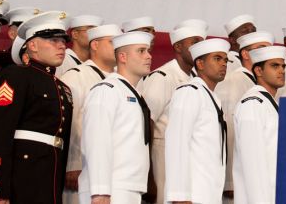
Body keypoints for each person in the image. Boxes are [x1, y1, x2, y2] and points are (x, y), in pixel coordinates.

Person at [0, 11, 74, 204]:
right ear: (32, 45)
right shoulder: (17, 75)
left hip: (50, 172)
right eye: (53, 40)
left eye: (63, 41)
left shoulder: (62, 87)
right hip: (21, 175)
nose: (62, 45)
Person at [79, 31, 155, 204]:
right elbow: (97, 141)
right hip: (109, 188)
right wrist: (100, 191)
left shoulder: (131, 93)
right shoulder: (106, 90)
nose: (149, 56)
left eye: (148, 51)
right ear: (122, 56)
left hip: (128, 187)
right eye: (141, 51)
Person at [139, 24, 206, 201]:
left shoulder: (195, 79)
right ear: (178, 47)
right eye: (195, 42)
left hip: (187, 157)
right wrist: (148, 175)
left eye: (202, 42)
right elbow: (146, 121)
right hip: (162, 156)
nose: (200, 47)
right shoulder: (163, 77)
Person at [165, 38, 231, 204]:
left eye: (225, 60)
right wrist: (180, 195)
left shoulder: (210, 96)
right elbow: (177, 143)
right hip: (191, 196)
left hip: (208, 194)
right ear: (200, 64)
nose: (223, 64)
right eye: (217, 58)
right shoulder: (189, 92)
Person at [61, 23, 121, 203]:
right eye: (112, 42)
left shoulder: (122, 79)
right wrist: (72, 163)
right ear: (95, 45)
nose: (118, 48)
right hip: (84, 167)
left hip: (115, 167)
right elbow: (69, 122)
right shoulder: (76, 76)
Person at [215, 32, 275, 198]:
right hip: (242, 175)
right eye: (261, 48)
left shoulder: (258, 82)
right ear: (245, 54)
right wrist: (230, 181)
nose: (267, 52)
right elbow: (232, 130)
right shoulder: (236, 79)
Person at [233, 45, 286, 204]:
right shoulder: (252, 104)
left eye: (283, 66)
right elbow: (253, 165)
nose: (282, 70)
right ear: (258, 71)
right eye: (275, 66)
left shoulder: (269, 103)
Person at [222, 14, 257, 82]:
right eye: (245, 32)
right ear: (232, 40)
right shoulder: (229, 60)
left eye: (253, 31)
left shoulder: (253, 60)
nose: (251, 34)